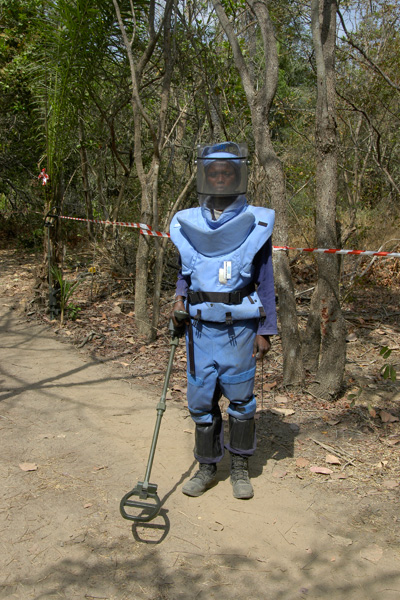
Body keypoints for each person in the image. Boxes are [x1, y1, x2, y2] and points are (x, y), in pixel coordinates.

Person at [169, 142, 277, 499]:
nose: (219, 178)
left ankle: (240, 467)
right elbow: (187, 271)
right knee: (201, 401)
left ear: (237, 175)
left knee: (242, 401)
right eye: (213, 172)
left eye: (226, 172)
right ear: (204, 175)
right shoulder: (189, 222)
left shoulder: (255, 223)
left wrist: (265, 329)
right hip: (199, 329)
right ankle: (207, 467)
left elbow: (264, 279)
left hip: (240, 329)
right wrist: (178, 302)